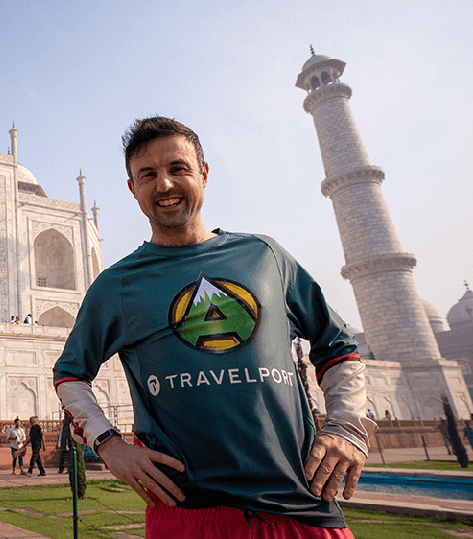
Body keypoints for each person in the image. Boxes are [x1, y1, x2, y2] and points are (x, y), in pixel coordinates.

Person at [53, 116, 376, 537]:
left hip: (302, 505)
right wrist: (108, 445)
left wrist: (346, 427)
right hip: (189, 511)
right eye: (148, 175)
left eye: (178, 169)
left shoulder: (264, 258)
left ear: (203, 174)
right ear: (133, 189)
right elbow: (70, 375)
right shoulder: (118, 285)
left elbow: (338, 346)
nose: (164, 185)